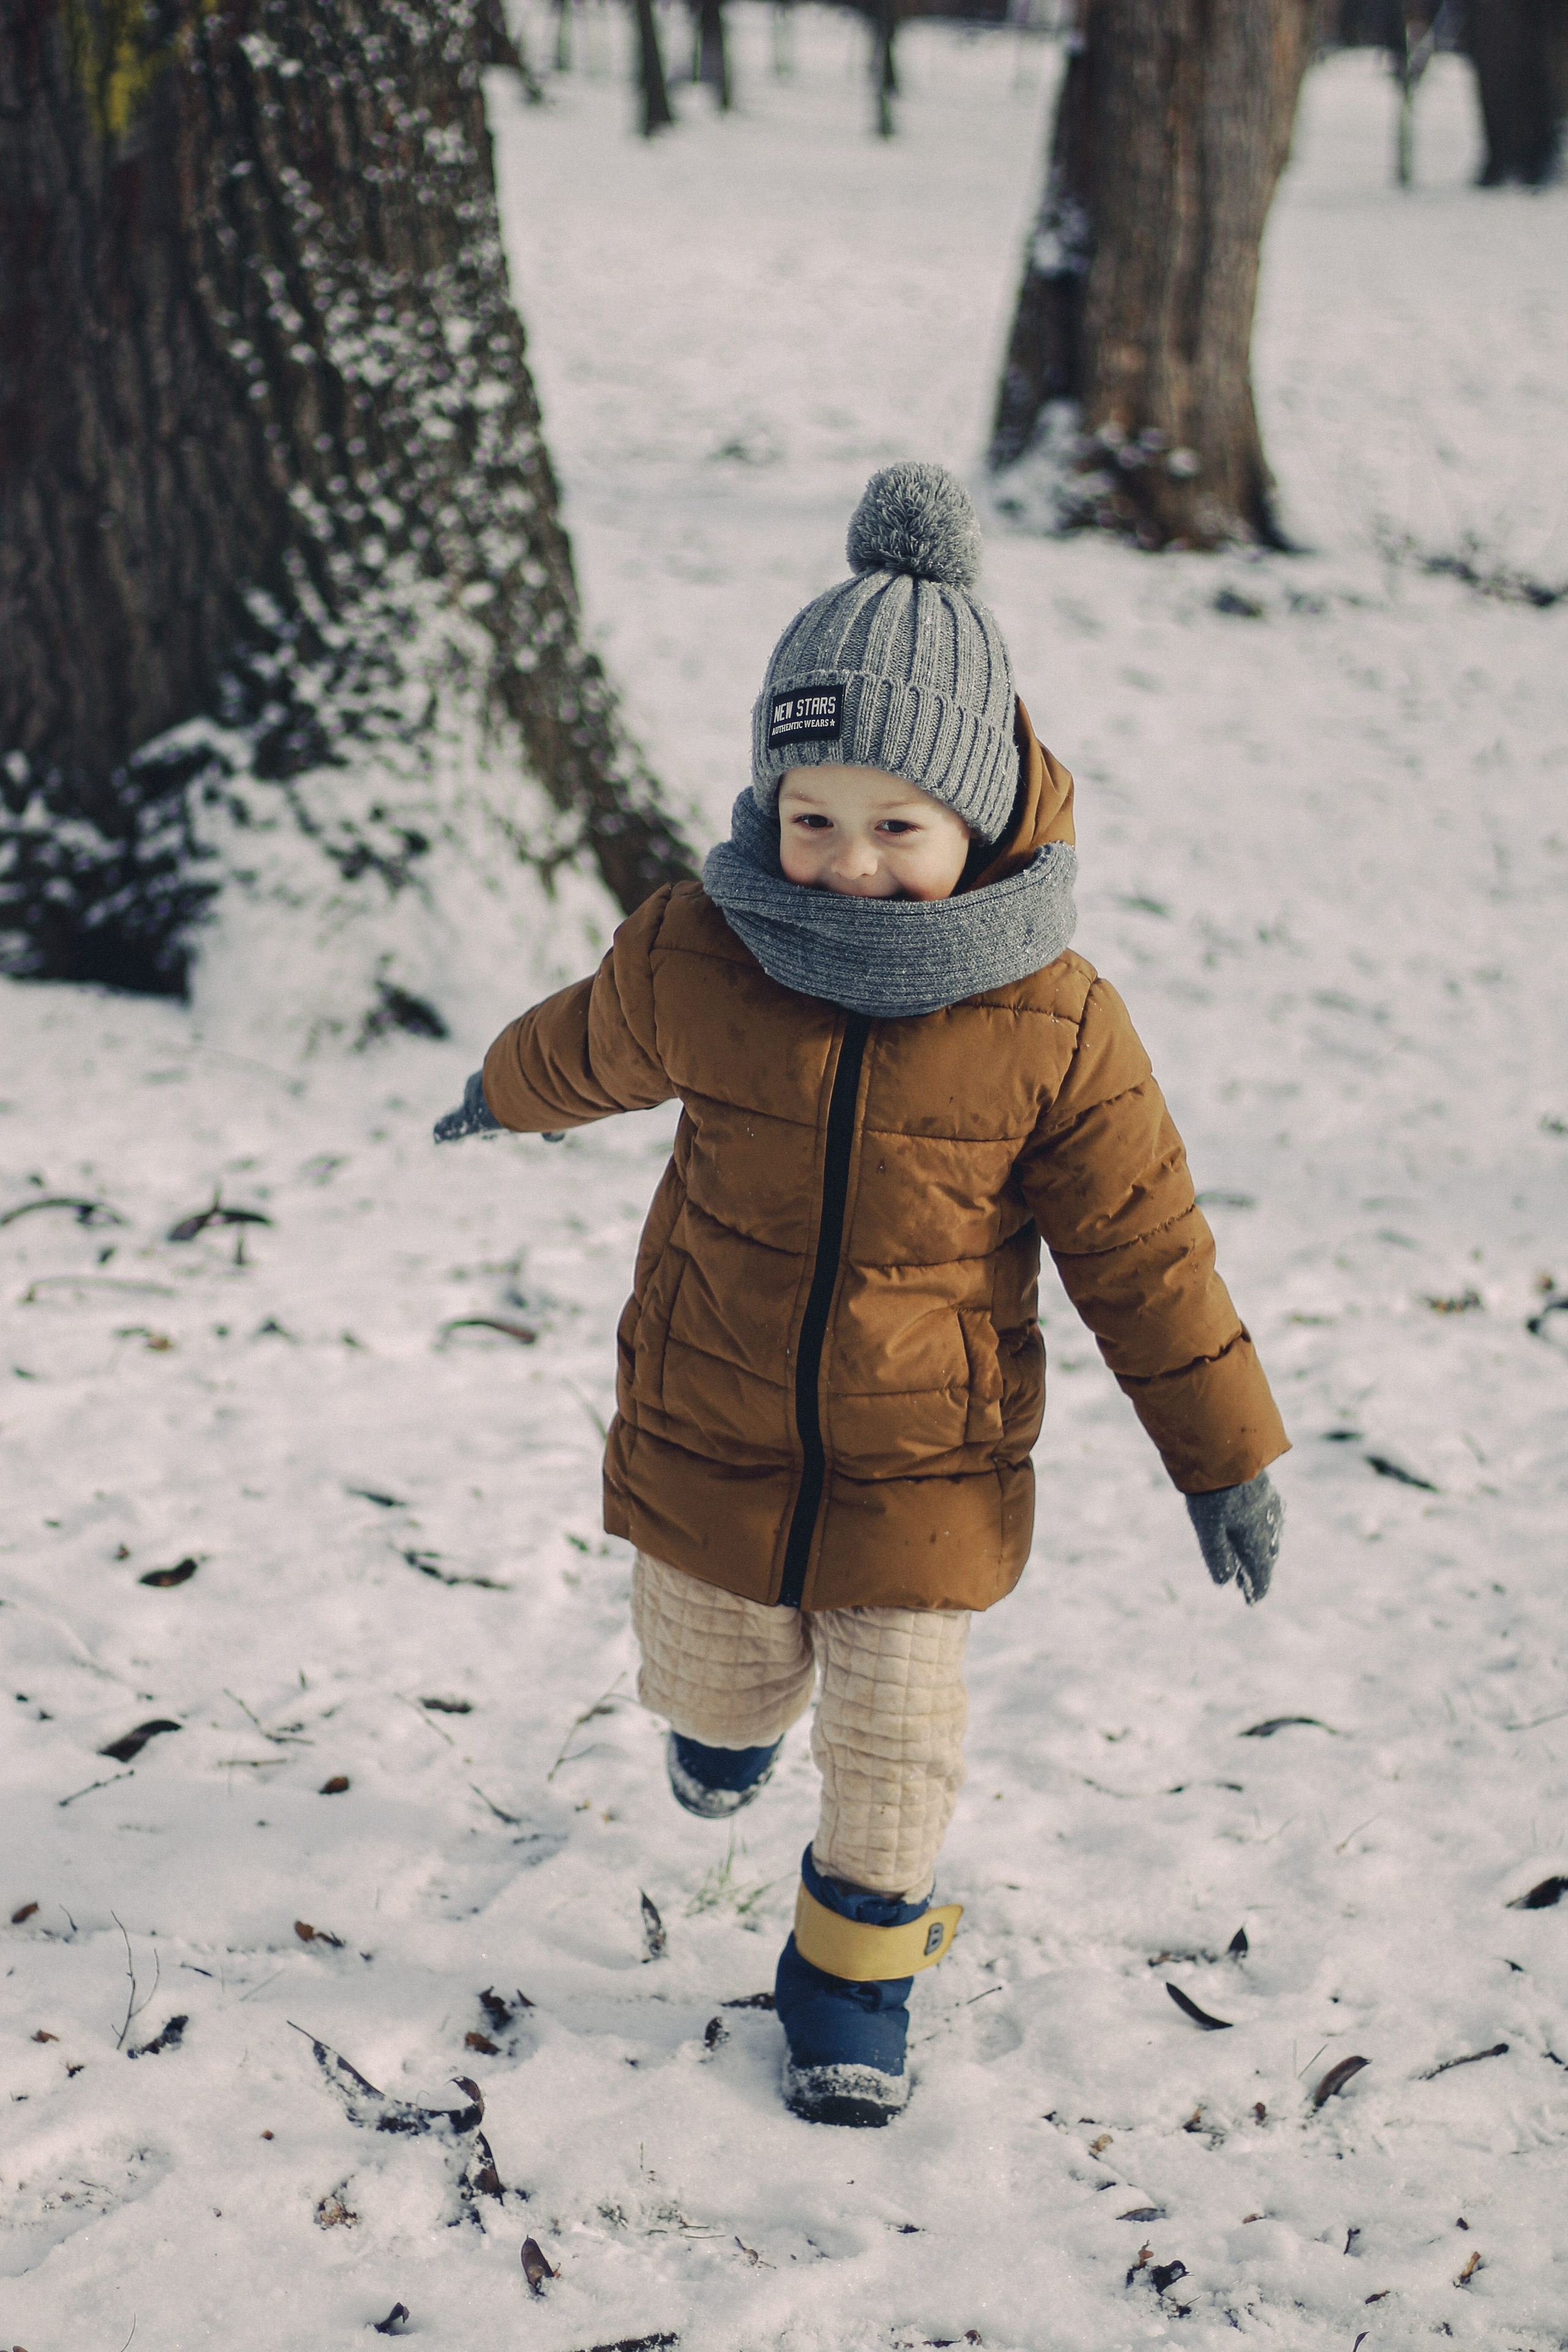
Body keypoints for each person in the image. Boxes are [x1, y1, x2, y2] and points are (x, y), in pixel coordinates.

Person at [434, 462, 1287, 2129]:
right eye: (813, 818)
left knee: (895, 1754)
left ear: (981, 818)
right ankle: (722, 1733)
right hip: (709, 1427)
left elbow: (1146, 1246)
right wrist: (498, 1089)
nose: (847, 865)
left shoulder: (1052, 1019)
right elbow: (587, 1044)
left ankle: (848, 1975)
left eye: (898, 827)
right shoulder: (701, 951)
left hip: (927, 1470)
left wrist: (1223, 1453)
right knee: (714, 1689)